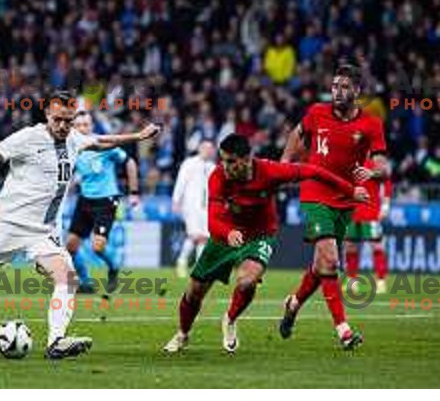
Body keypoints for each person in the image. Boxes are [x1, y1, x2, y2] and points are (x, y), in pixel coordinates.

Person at [0, 93, 159, 360]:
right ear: (46, 114)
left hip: (42, 233)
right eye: (57, 120)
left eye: (68, 120)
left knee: (67, 279)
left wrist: (137, 136)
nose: (63, 126)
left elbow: (102, 141)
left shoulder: (73, 139)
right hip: (8, 226)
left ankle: (56, 341)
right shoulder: (27, 138)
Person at [163, 133, 368, 354]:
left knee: (247, 281)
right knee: (194, 291)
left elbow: (313, 171)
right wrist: (228, 232)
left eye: (230, 161)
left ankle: (230, 319)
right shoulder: (218, 176)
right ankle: (183, 334)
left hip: (259, 235)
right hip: (225, 234)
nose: (225, 166)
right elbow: (212, 220)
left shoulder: (270, 171)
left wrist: (350, 190)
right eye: (223, 160)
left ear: (246, 159)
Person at [279, 64, 389, 349]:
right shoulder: (317, 112)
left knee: (320, 265)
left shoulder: (371, 124)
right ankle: (344, 330)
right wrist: (283, 164)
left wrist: (374, 173)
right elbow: (297, 133)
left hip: (346, 197)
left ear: (357, 91)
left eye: (344, 87)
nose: (337, 91)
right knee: (330, 259)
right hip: (315, 192)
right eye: (334, 86)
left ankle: (294, 303)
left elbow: (382, 162)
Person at [66, 111, 141, 295]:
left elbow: (130, 162)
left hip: (106, 200)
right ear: (74, 128)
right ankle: (85, 283)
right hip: (84, 200)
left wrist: (133, 192)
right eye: (79, 125)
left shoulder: (104, 145)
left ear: (92, 126)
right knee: (70, 247)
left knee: (97, 247)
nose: (83, 128)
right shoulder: (73, 147)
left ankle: (114, 267)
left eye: (86, 124)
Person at [345, 159, 393, 294]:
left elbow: (386, 181)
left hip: (370, 211)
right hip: (351, 211)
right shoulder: (348, 158)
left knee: (376, 245)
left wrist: (386, 204)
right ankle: (352, 281)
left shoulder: (375, 161)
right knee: (350, 246)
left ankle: (381, 281)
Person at [171, 140, 216, 278]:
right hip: (191, 205)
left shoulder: (213, 167)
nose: (209, 151)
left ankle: (198, 266)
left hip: (206, 206)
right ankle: (182, 262)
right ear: (200, 148)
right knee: (194, 235)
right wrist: (176, 200)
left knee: (203, 237)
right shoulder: (189, 163)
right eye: (206, 148)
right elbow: (181, 182)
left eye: (211, 149)